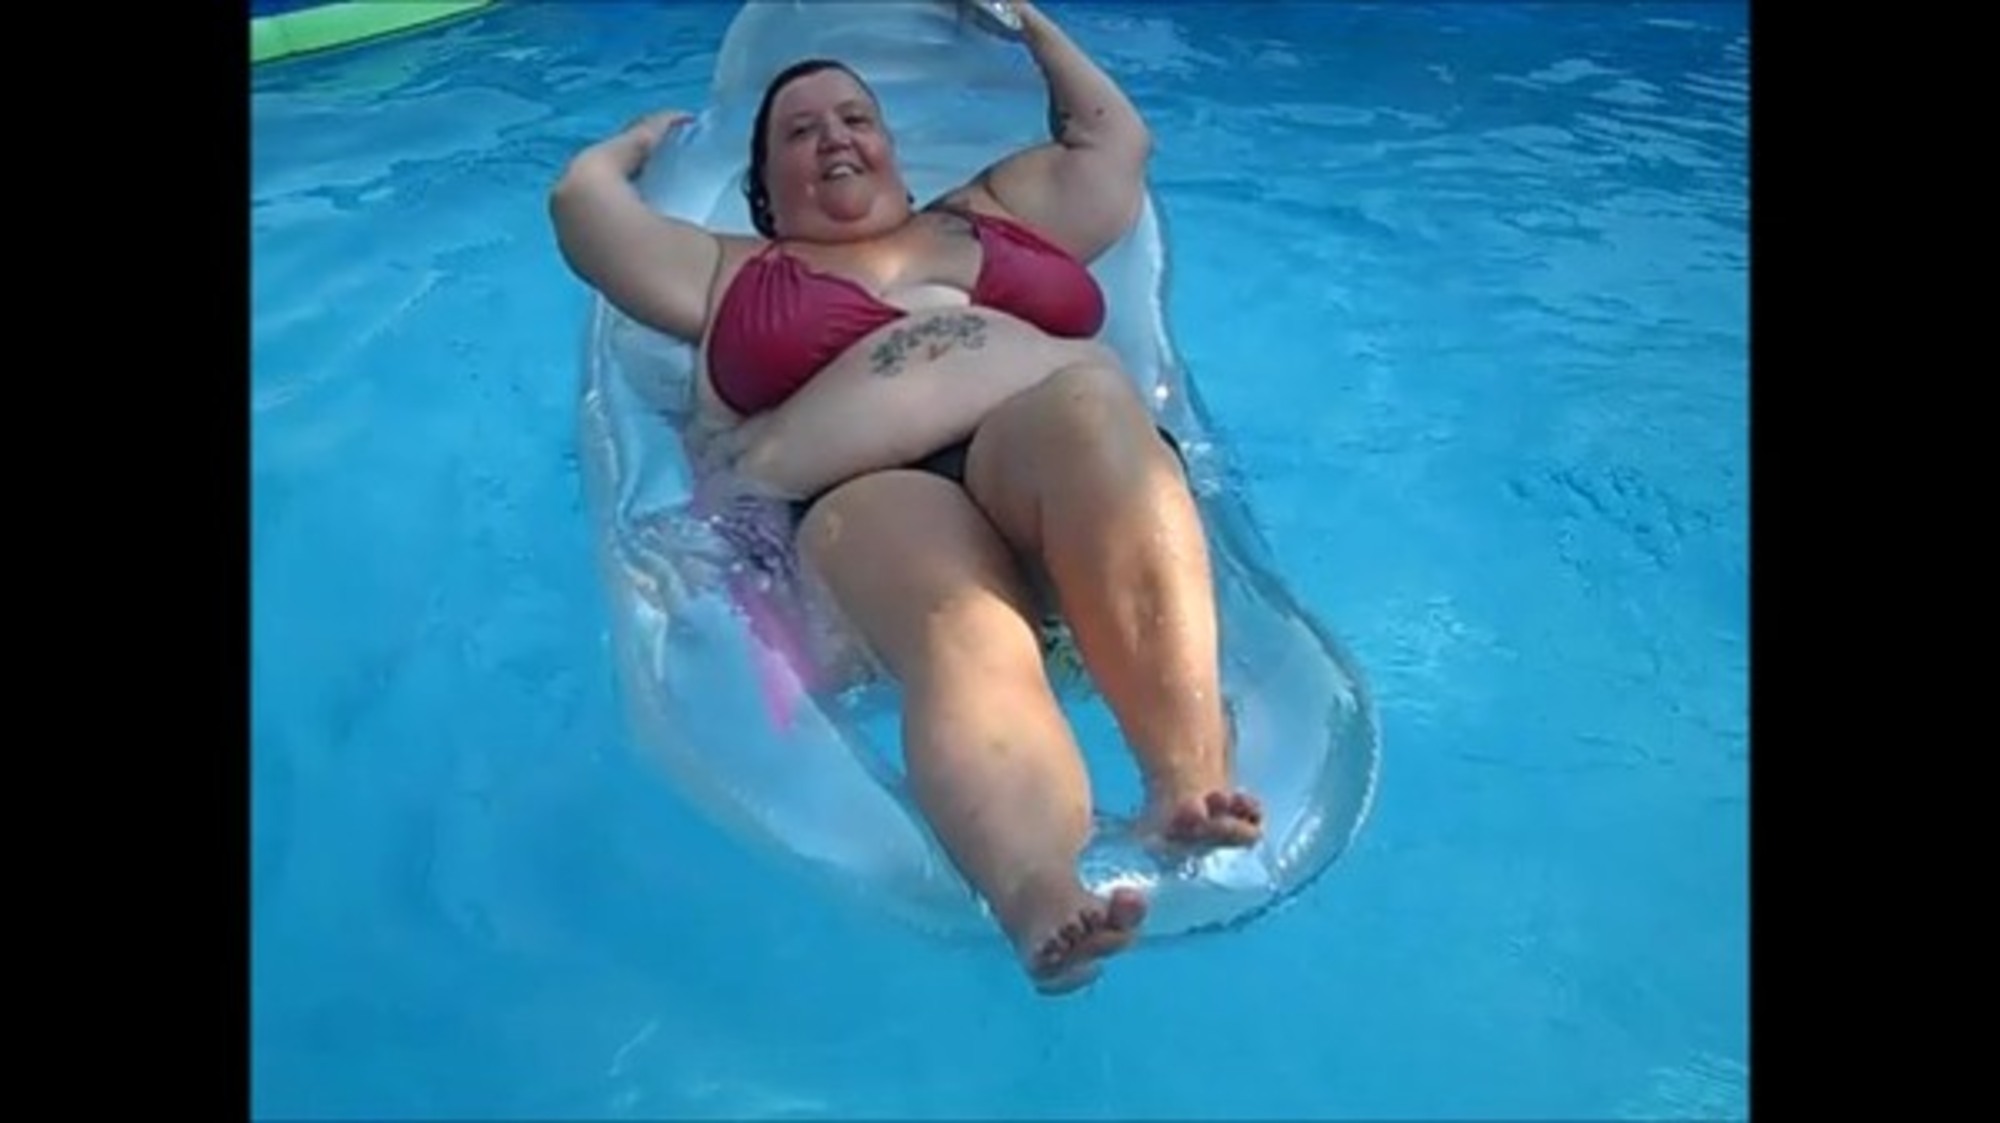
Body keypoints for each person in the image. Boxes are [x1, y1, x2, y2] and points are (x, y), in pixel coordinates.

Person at [550, 0, 1262, 995]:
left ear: (890, 147)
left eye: (855, 118)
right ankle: (1036, 889)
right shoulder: (728, 272)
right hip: (865, 494)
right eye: (800, 132)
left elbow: (1115, 141)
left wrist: (1023, 20)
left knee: (1096, 416)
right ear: (764, 191)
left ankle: (1187, 783)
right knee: (955, 619)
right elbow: (582, 210)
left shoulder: (990, 216)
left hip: (1041, 455)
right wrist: (635, 145)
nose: (834, 137)